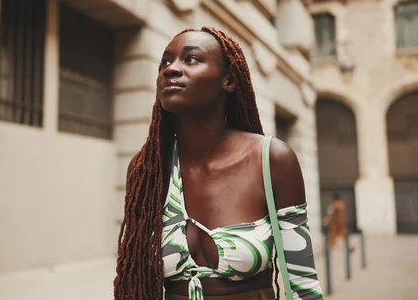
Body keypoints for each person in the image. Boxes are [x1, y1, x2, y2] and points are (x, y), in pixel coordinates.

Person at [114, 27, 323, 300]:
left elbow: (303, 285)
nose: (170, 70)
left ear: (229, 81)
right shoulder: (147, 171)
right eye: (165, 62)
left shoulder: (272, 160)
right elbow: (134, 282)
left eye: (191, 59)